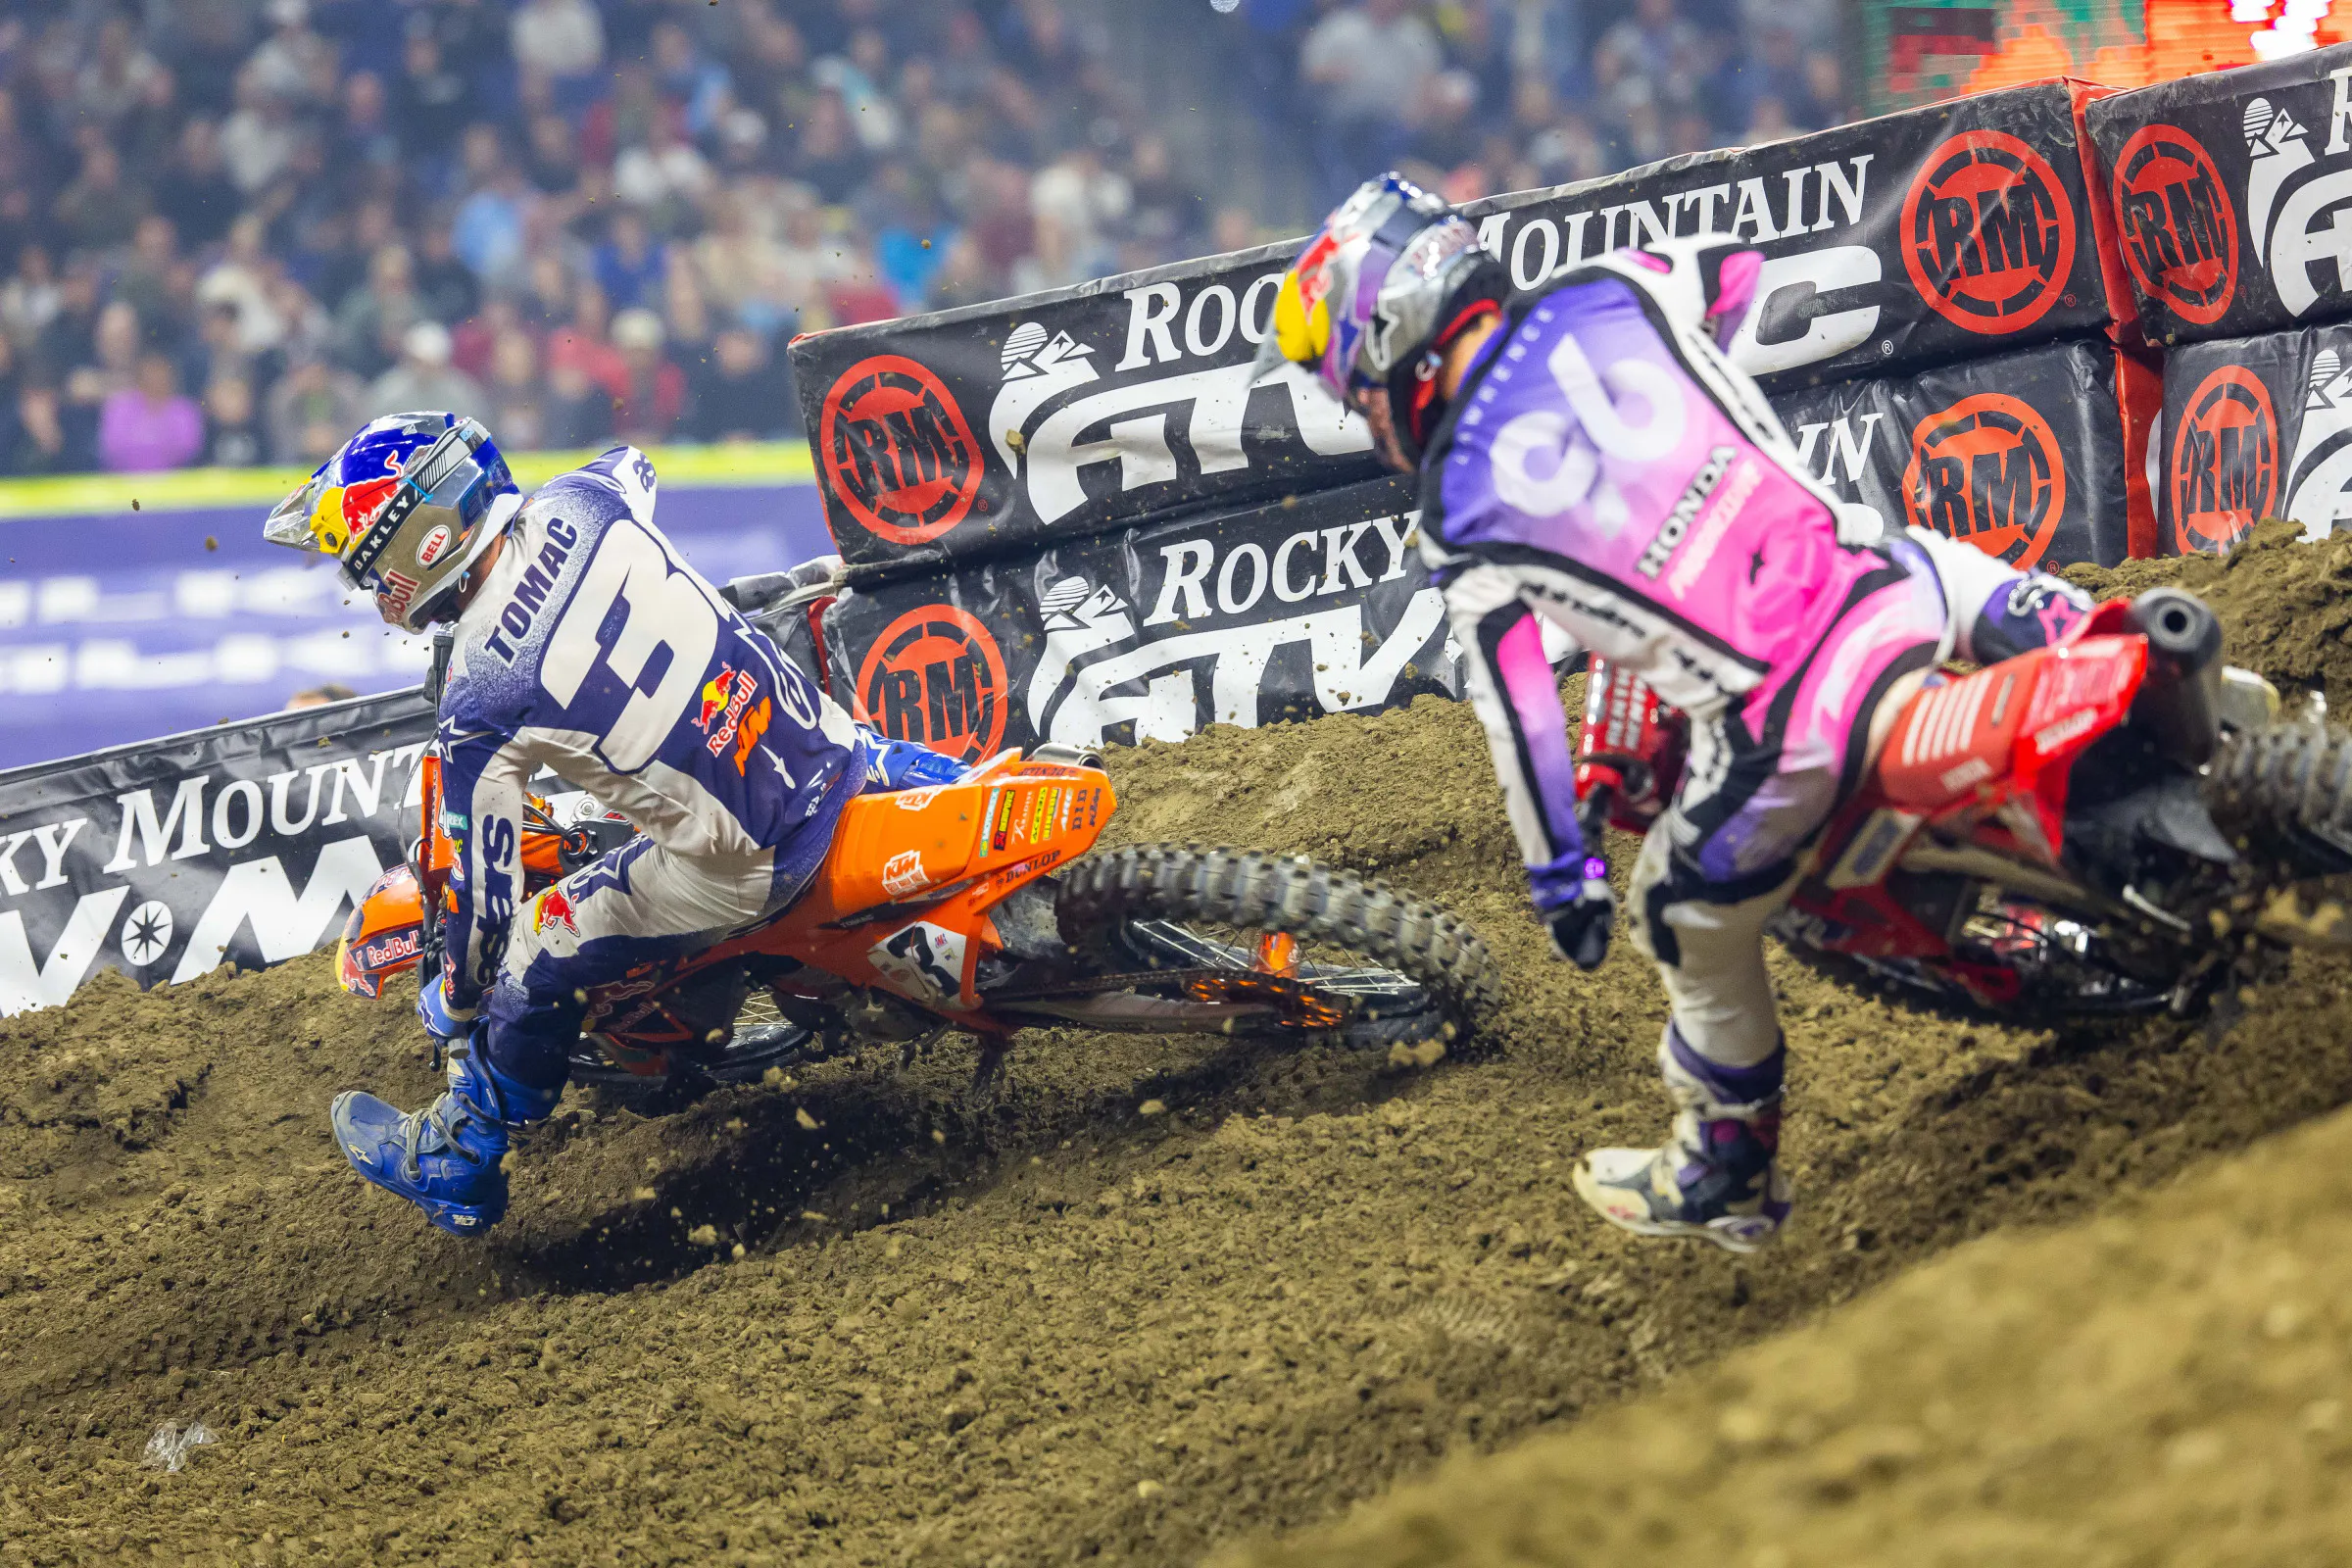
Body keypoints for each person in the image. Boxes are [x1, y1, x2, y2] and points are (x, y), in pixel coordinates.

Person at [1253, 176, 2097, 1252]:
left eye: (1353, 387)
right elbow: (1741, 276)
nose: (1363, 413)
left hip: (1788, 728)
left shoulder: (1457, 514)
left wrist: (1566, 882)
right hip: (1891, 596)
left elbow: (1522, 717)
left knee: (1677, 911)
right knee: (1948, 564)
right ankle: (2171, 681)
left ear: (1391, 337)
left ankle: (1726, 1169)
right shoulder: (1612, 286)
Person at [264, 415, 964, 1236]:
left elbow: (487, 906)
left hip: (745, 864)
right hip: (838, 759)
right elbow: (634, 461)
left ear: (423, 539)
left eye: (369, 563)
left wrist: (454, 1002)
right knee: (914, 765)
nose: (369, 588)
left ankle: (463, 1150)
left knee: (533, 943)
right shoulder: (586, 500)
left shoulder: (479, 700)